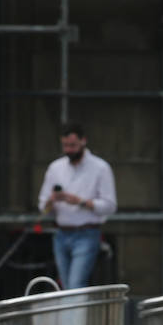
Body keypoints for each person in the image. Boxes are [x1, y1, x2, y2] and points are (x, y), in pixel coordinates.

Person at [36, 121, 117, 289]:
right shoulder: (55, 168)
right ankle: (73, 316)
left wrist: (81, 202)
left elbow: (110, 205)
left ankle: (78, 315)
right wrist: (52, 201)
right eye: (65, 145)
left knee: (75, 285)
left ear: (83, 141)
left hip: (87, 233)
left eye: (72, 145)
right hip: (61, 233)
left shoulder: (100, 168)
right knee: (66, 287)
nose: (69, 150)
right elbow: (43, 207)